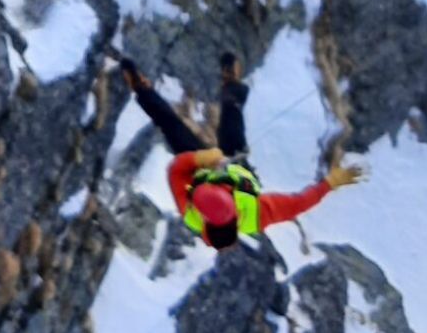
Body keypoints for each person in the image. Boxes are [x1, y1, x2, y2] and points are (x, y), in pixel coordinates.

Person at [120, 52, 363, 250]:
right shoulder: (255, 213)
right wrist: (329, 183)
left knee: (172, 127)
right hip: (237, 167)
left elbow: (175, 170)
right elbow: (297, 204)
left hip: (199, 168)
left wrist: (201, 158)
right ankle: (231, 85)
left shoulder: (191, 211)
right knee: (231, 114)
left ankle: (141, 89)